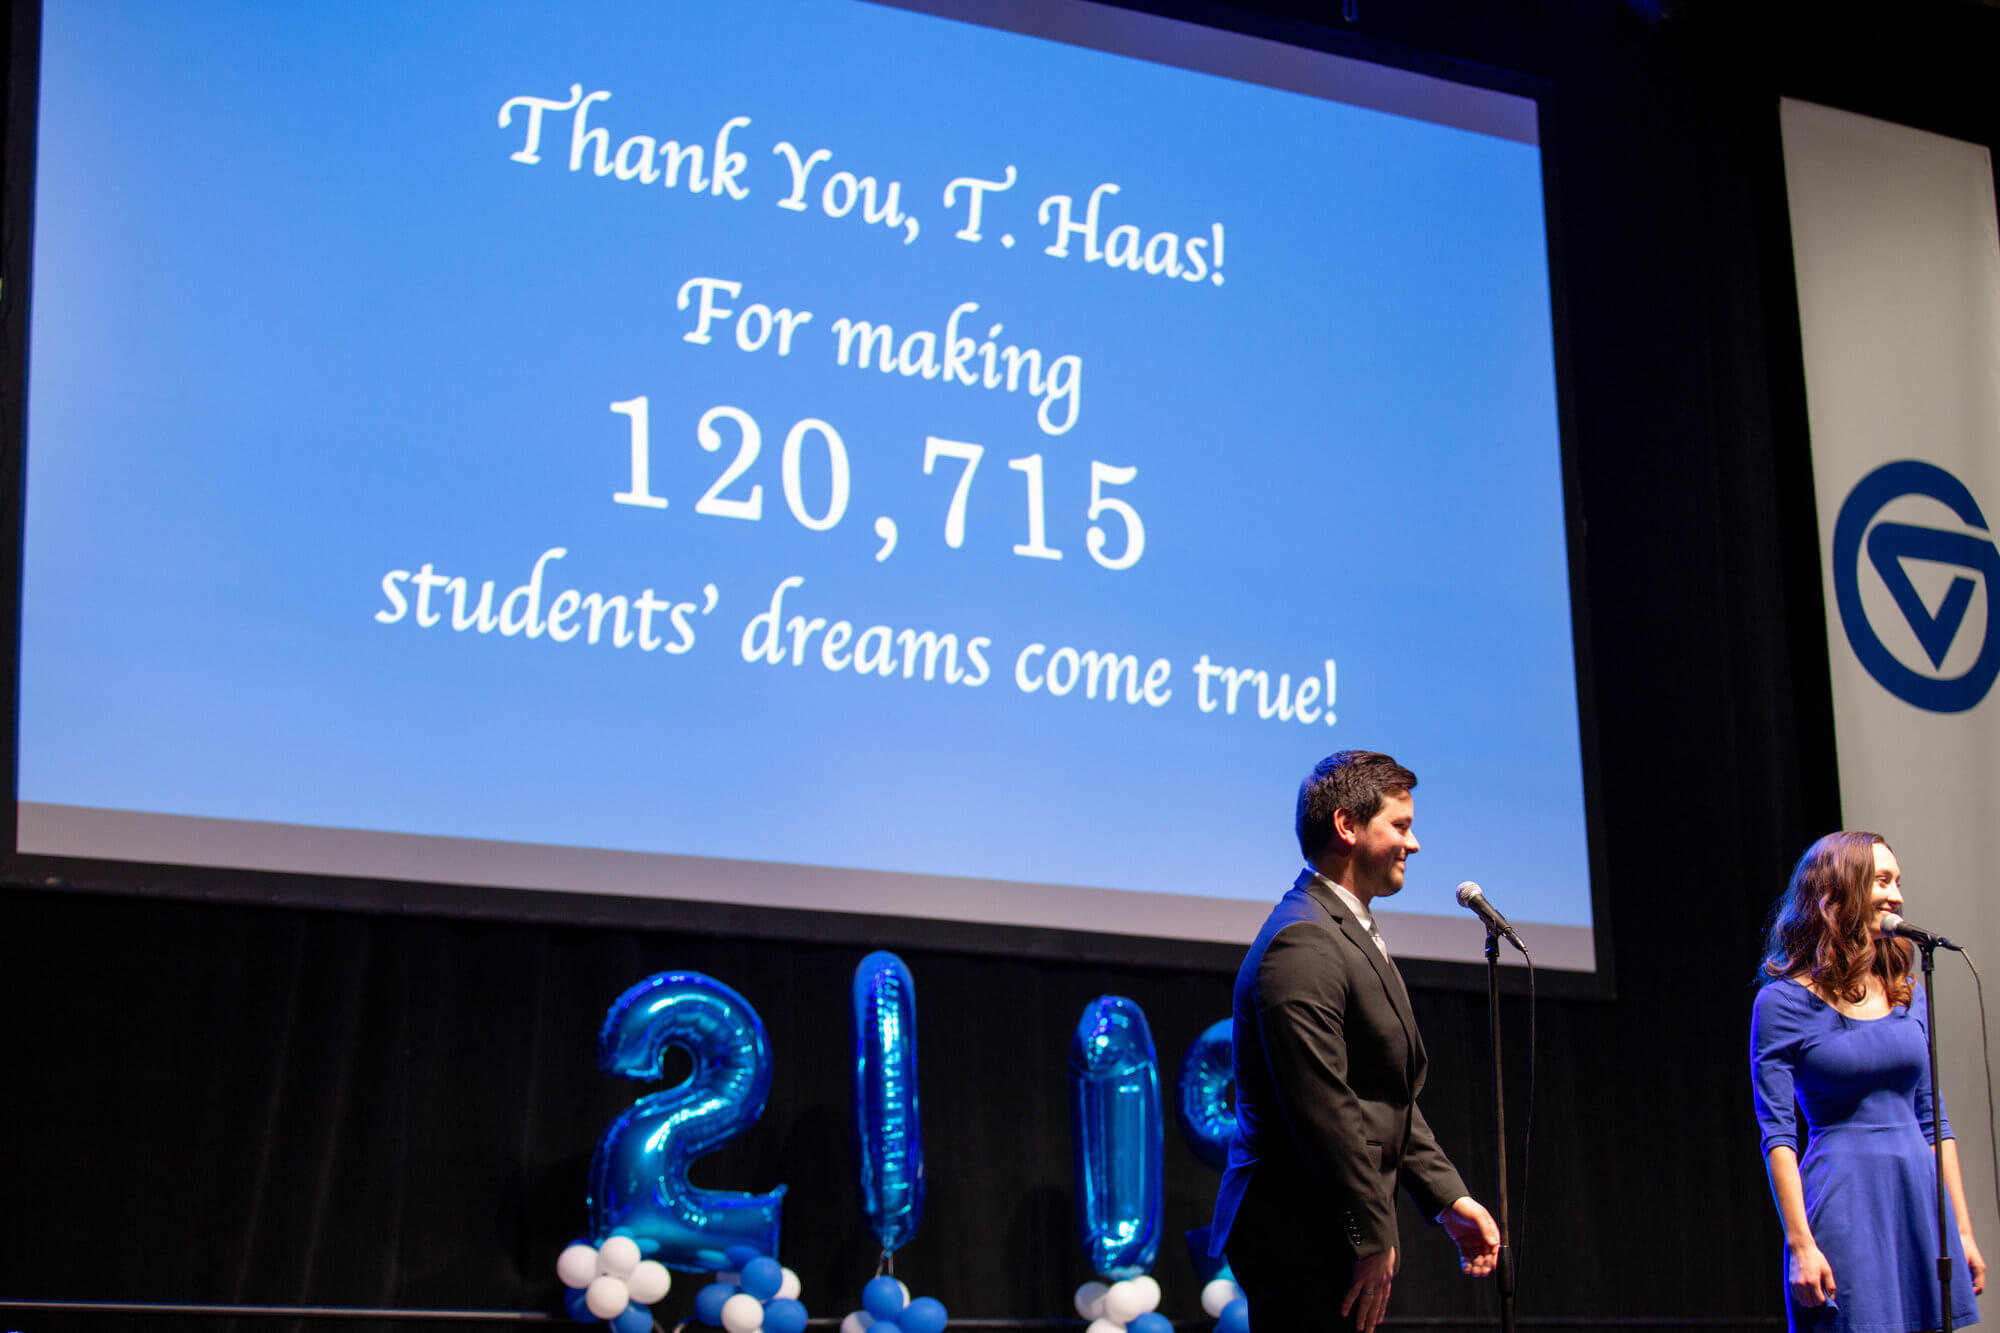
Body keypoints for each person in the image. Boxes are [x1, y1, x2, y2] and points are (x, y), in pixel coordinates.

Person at [1209, 749, 1500, 1333]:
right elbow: (1325, 1109)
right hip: (1300, 1227)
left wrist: (1448, 1199)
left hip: (1323, 1223)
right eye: (1400, 825)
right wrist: (1370, 1233)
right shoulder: (1304, 940)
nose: (1412, 845)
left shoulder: (1342, 929)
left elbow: (1383, 1096)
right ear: (1347, 826)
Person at [1752, 831, 1987, 1331]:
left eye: (1898, 881)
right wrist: (1800, 1244)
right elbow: (1777, 1136)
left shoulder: (1907, 992)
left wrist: (1961, 1232)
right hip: (1846, 1200)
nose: (1896, 894)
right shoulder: (1783, 1003)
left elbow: (1933, 1121)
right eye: (1882, 880)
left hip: (1919, 1201)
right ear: (1838, 891)